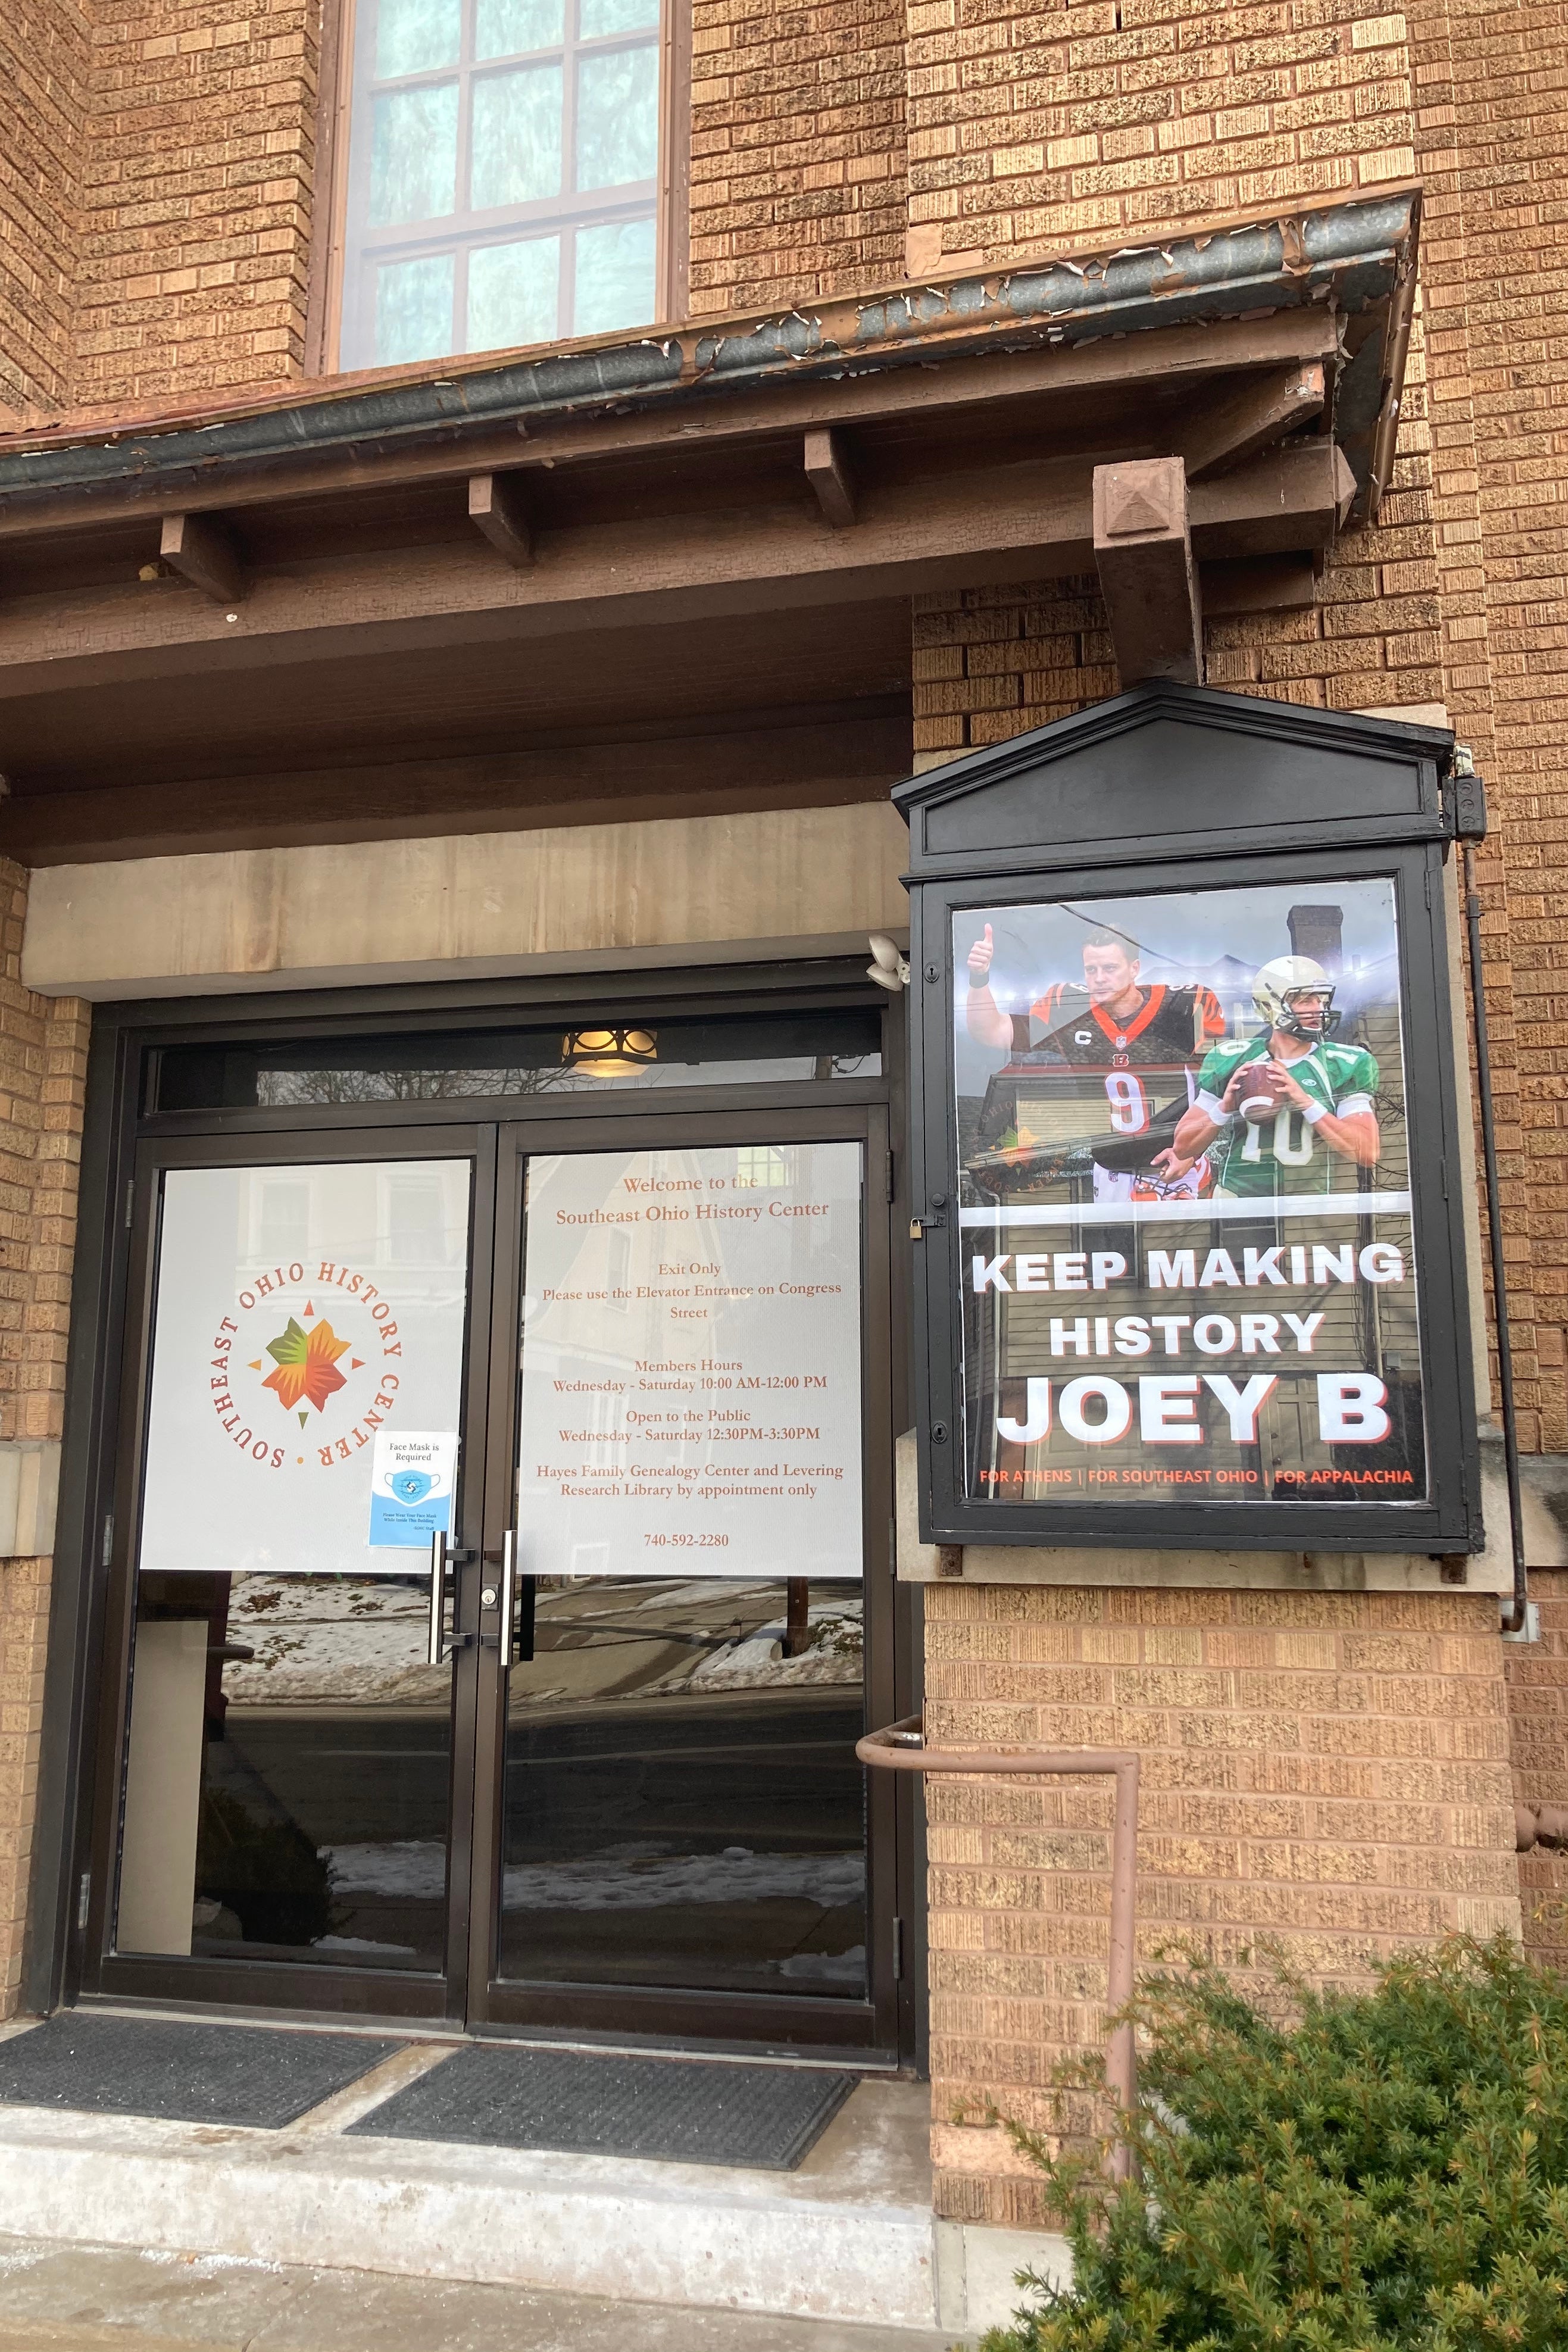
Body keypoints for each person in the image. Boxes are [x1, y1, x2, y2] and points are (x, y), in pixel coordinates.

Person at [966, 925, 1224, 1200]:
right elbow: (991, 1031)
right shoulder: (1067, 1008)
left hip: (1180, 1165)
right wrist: (979, 978)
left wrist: (1192, 1151)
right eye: (1091, 970)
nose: (1099, 978)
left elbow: (1221, 1083)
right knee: (1114, 1243)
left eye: (1110, 968)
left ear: (1134, 968)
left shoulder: (1184, 1006)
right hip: (1110, 1169)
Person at [1151, 955, 1379, 1195]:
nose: (1318, 1008)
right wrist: (1224, 1108)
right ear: (1270, 1006)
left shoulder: (1343, 1063)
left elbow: (1367, 1152)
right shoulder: (1234, 1059)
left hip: (1308, 1207)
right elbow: (1183, 1147)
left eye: (1321, 999)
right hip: (1237, 1201)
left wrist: (1305, 1101)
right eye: (1305, 1000)